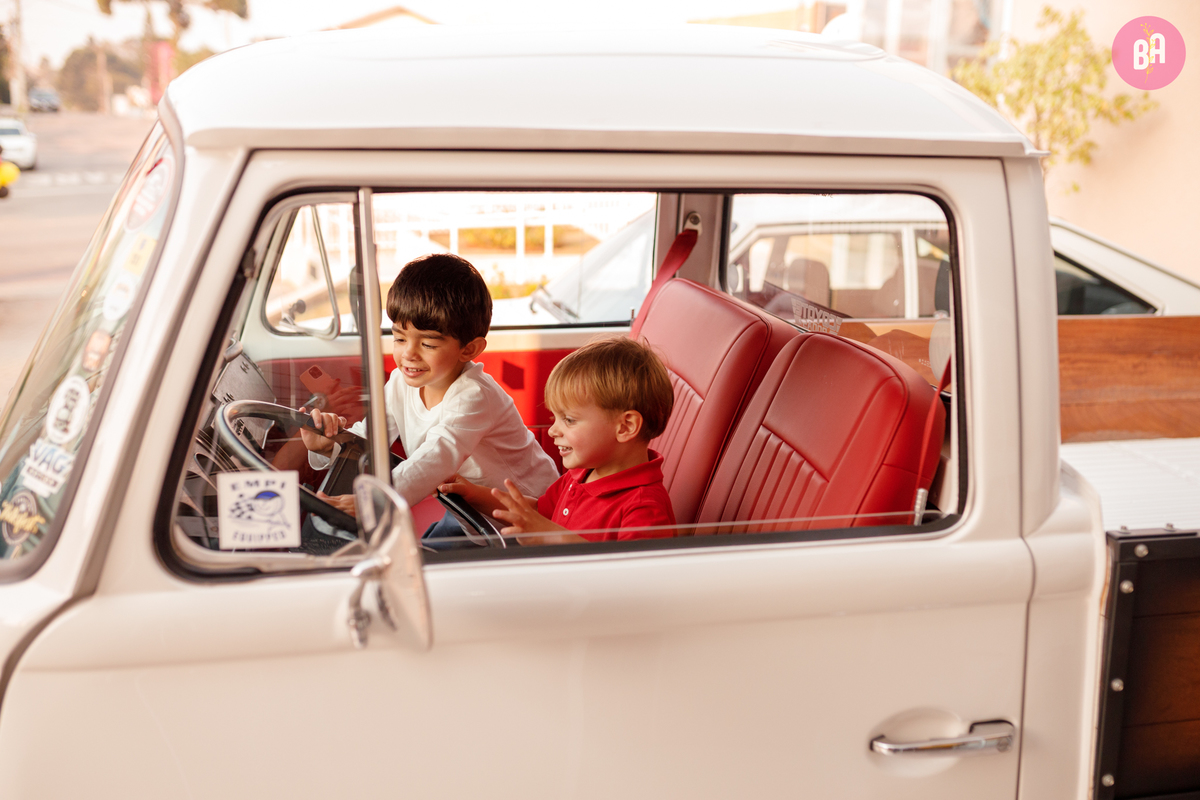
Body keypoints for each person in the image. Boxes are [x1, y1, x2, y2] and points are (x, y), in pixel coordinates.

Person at [301, 254, 559, 535]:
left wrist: (376, 501)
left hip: (527, 518)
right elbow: (371, 441)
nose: (408, 353)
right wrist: (327, 445)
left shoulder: (474, 396)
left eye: (427, 343)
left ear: (469, 349)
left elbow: (435, 458)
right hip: (468, 512)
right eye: (399, 338)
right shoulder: (400, 382)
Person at [440, 336, 676, 545]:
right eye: (554, 418)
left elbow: (635, 584)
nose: (553, 431)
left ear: (625, 427)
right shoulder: (581, 474)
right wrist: (473, 494)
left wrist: (553, 536)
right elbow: (537, 513)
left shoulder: (644, 507)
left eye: (569, 420)